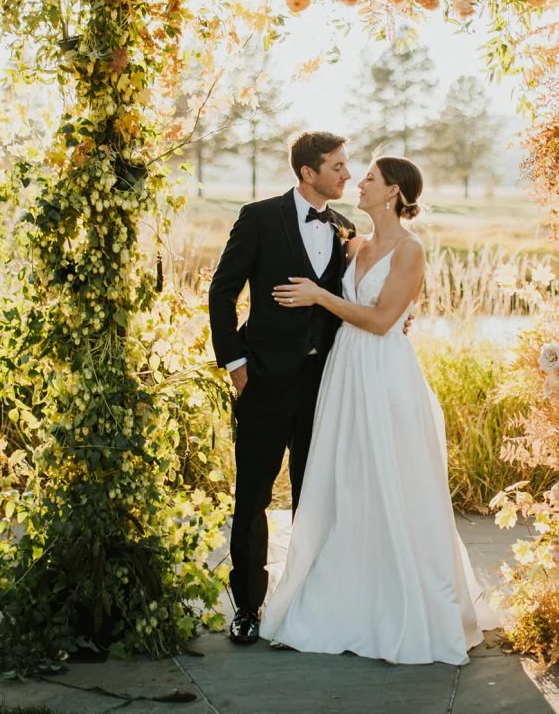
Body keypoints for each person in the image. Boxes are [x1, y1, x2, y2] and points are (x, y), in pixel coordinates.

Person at [261, 156, 495, 665]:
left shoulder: (411, 248)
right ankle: (339, 596)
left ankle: (399, 604)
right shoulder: (356, 242)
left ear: (392, 191)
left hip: (384, 373)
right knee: (347, 479)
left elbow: (385, 319)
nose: (357, 183)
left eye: (368, 177)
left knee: (392, 477)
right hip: (345, 370)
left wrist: (320, 297)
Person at [208, 131, 357, 646]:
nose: (347, 175)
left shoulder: (345, 228)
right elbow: (222, 289)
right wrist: (234, 359)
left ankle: (306, 602)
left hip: (323, 384)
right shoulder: (259, 217)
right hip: (263, 379)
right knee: (252, 494)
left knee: (313, 494)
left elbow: (350, 300)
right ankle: (248, 606)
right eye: (337, 166)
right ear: (307, 173)